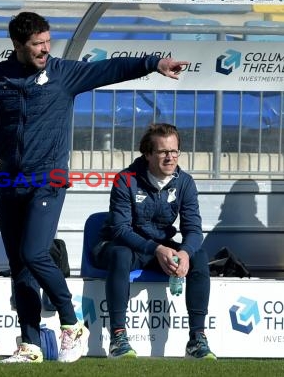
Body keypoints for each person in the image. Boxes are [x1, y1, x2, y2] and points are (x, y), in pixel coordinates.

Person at [0, 12, 188, 363]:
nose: (45, 49)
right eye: (37, 44)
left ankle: (71, 322)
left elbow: (111, 69)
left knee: (34, 253)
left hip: (49, 180)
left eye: (48, 42)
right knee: (20, 266)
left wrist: (154, 63)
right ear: (17, 45)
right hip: (10, 182)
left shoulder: (63, 73)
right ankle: (29, 344)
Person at [90, 123, 216, 360]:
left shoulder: (185, 182)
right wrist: (157, 248)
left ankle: (197, 340)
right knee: (122, 253)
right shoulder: (126, 180)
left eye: (174, 151)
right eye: (163, 152)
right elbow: (119, 230)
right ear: (147, 154)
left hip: (157, 250)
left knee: (199, 256)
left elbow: (194, 230)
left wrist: (186, 253)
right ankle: (118, 338)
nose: (170, 157)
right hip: (118, 246)